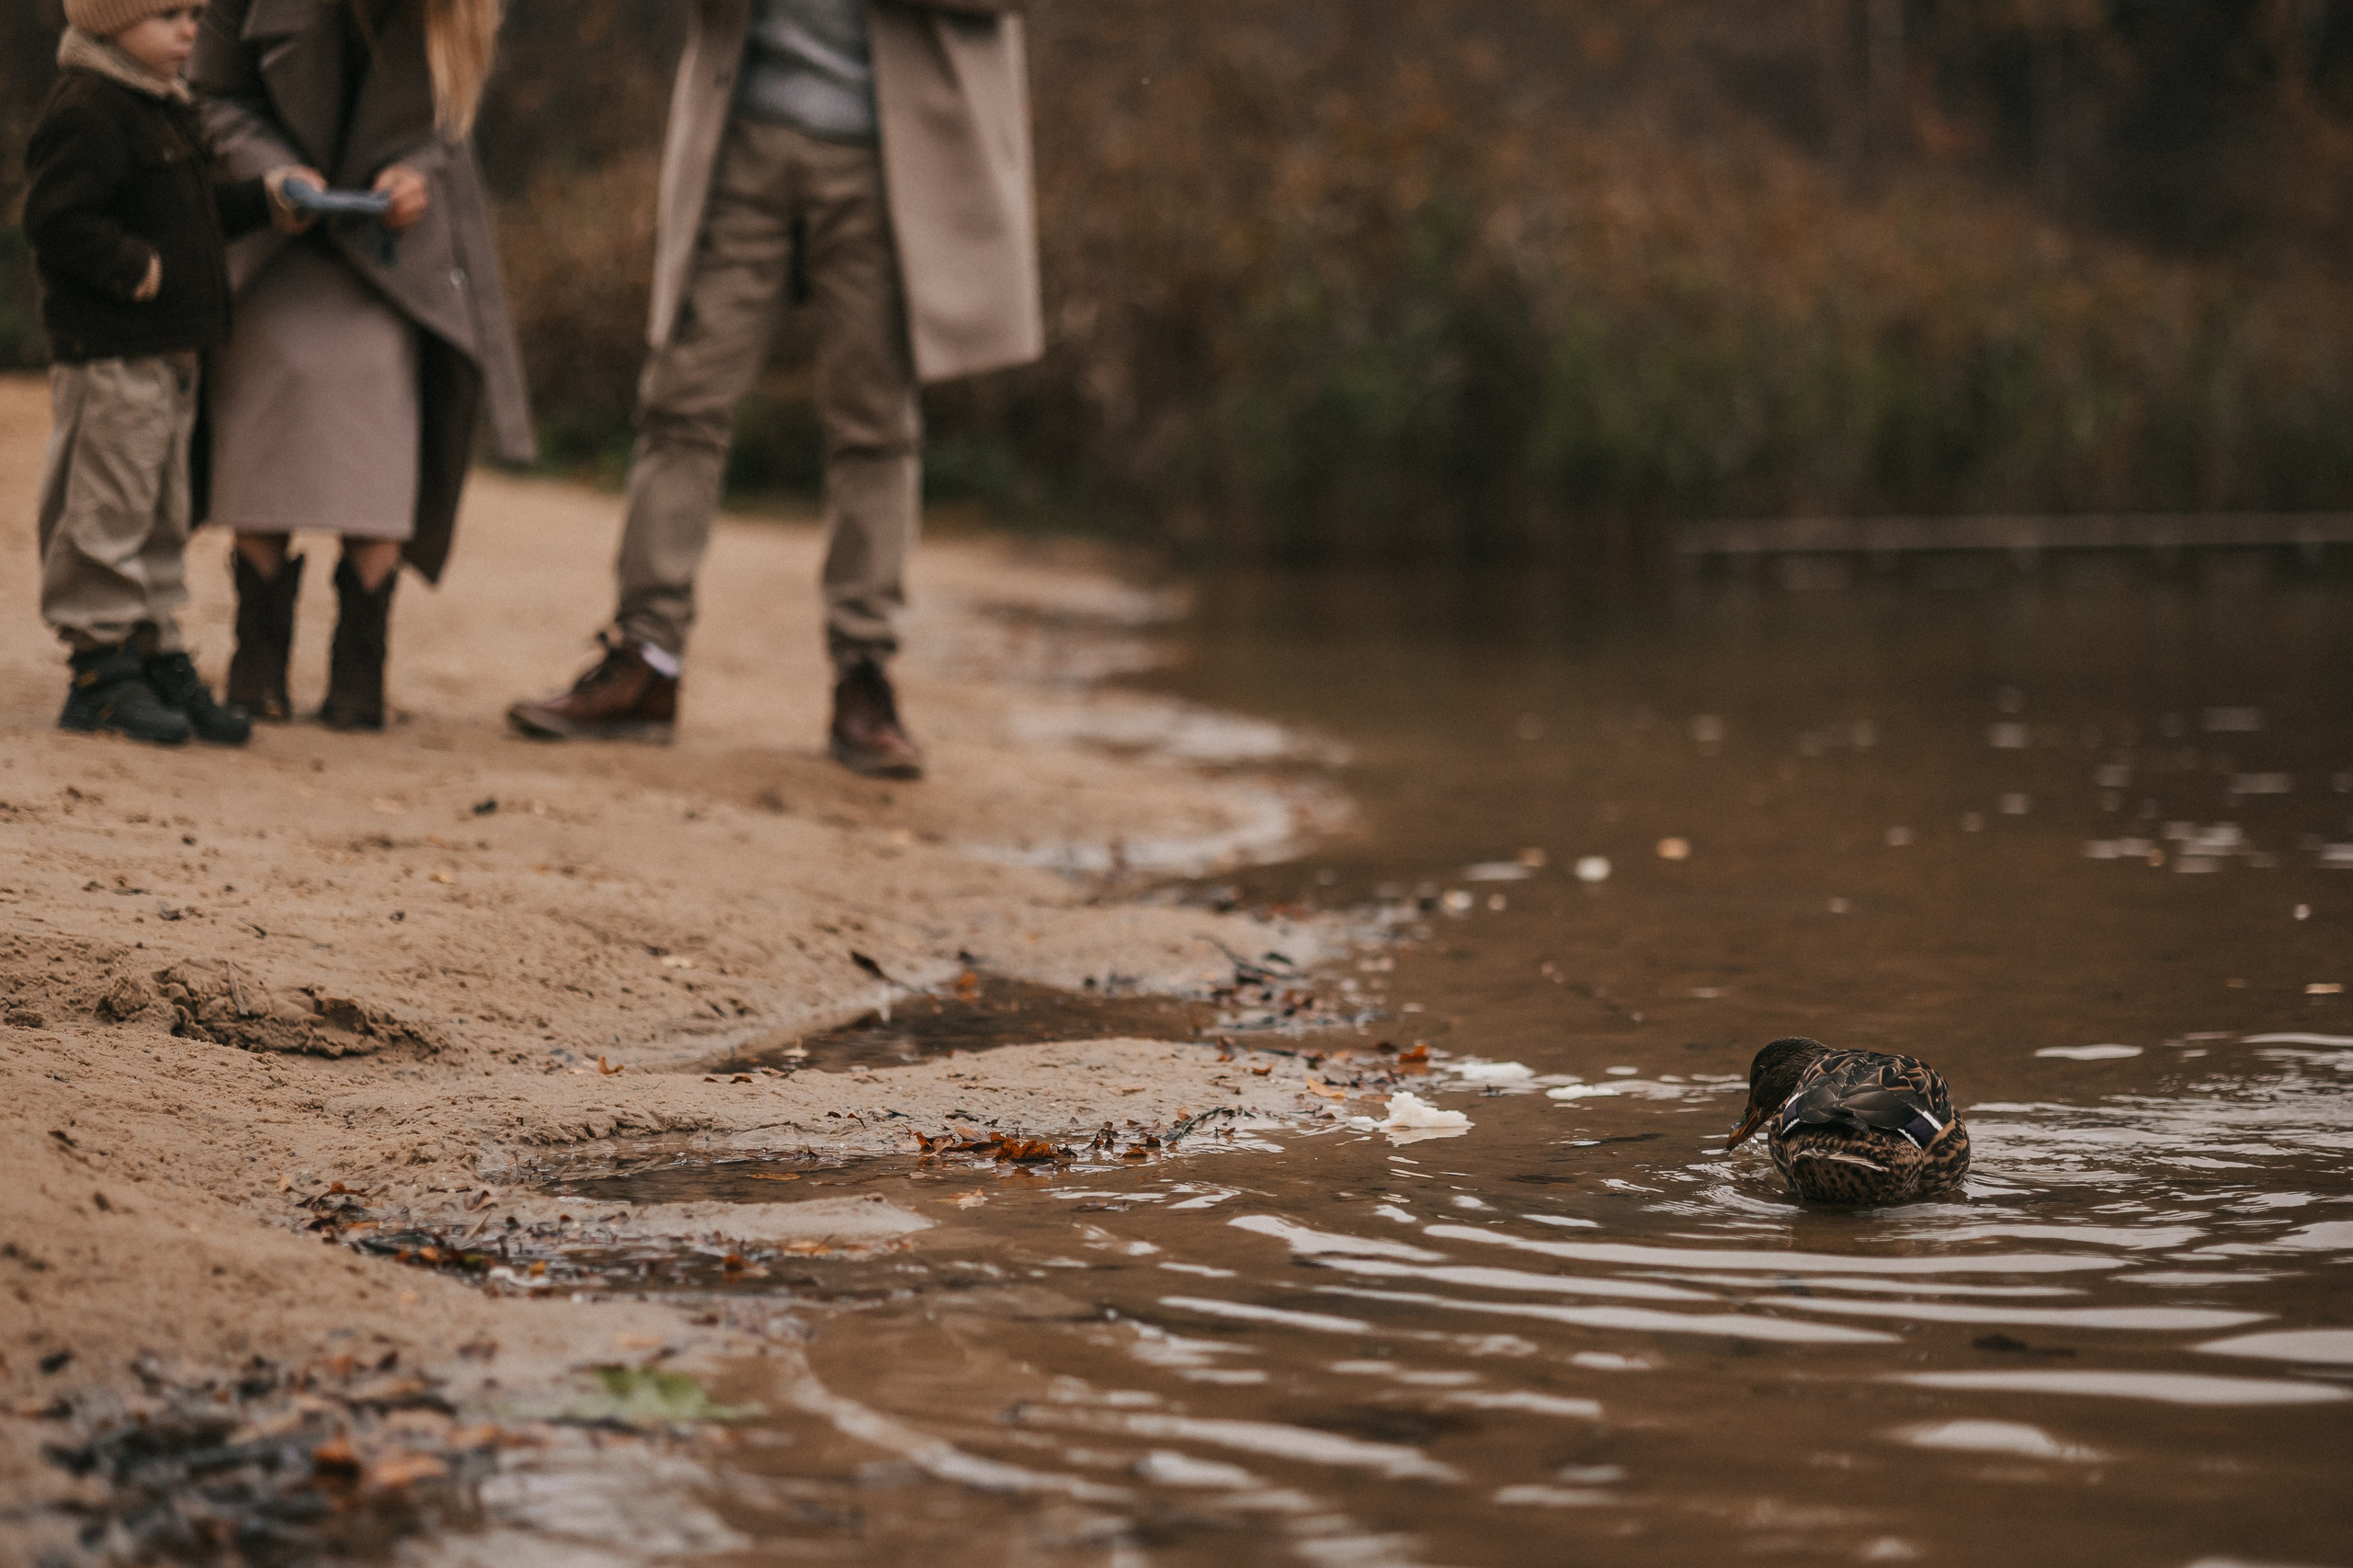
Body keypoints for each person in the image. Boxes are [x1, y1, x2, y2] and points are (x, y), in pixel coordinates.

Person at [505, 0, 1042, 778]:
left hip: (894, 159)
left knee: (876, 424)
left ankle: (863, 679)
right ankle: (646, 660)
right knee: (680, 399)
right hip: (740, 136)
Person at [190, 0, 534, 730]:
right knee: (264, 402)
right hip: (270, 234)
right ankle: (257, 661)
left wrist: (414, 173)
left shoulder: (463, 11)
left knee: (380, 418)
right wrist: (273, 173)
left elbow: (450, 121)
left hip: (392, 253)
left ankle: (359, 669)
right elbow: (211, 91)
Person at [24, 0, 298, 747]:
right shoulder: (90, 108)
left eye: (196, 14)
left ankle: (152, 647)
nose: (190, 31)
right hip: (113, 350)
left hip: (172, 353)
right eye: (170, 14)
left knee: (159, 511)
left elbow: (199, 211)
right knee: (106, 507)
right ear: (113, 21)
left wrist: (265, 202)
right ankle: (99, 666)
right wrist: (136, 269)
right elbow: (54, 218)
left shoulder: (166, 108)